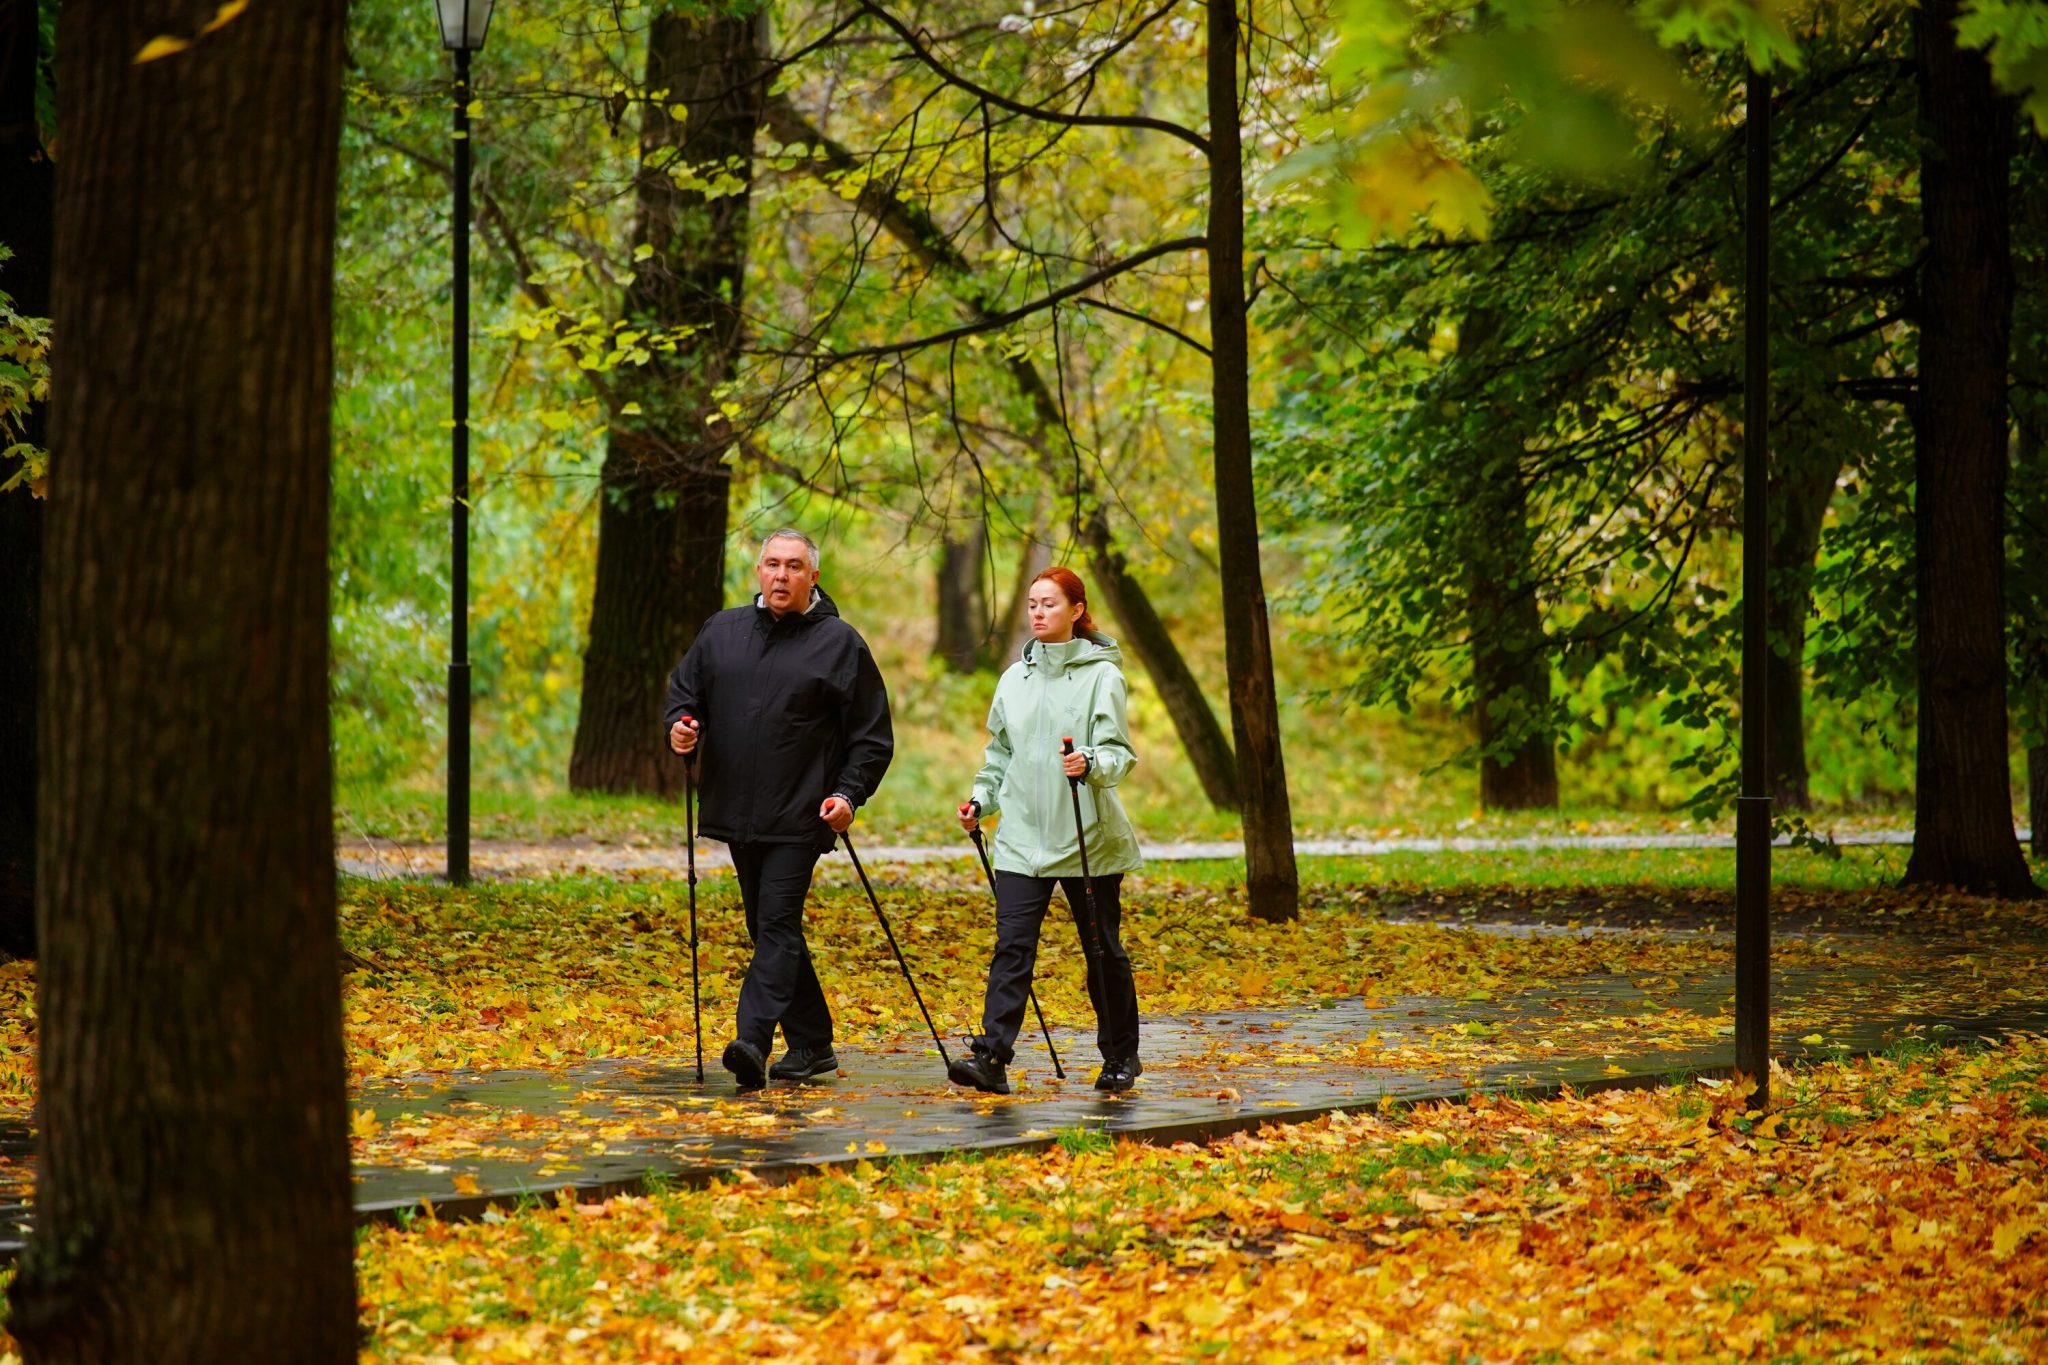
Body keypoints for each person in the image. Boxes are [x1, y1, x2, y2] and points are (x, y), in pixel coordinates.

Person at [664, 529, 893, 1090]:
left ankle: (753, 1041)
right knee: (766, 927)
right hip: (738, 807)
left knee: (776, 922)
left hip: (801, 812)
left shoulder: (840, 644)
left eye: (794, 566)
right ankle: (813, 1046)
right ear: (759, 571)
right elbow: (684, 693)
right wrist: (681, 726)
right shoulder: (723, 631)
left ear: (813, 576)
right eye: (772, 564)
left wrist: (847, 795)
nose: (782, 575)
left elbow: (871, 737)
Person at [951, 566, 1144, 1095]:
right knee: (1012, 948)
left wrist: (1089, 761)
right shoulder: (1014, 679)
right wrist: (980, 800)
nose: (1037, 612)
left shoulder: (1102, 676)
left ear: (1076, 611)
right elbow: (1000, 756)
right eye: (1032, 604)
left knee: (1101, 948)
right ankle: (992, 1057)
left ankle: (1121, 1056)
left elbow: (1118, 755)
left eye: (1049, 604)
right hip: (1020, 841)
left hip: (1087, 839)